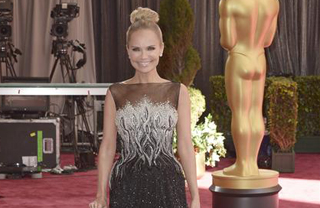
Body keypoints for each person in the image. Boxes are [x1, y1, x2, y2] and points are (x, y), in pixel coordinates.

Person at [89, 7, 200, 208]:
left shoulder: (177, 91)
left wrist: (196, 197)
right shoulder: (116, 92)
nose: (143, 56)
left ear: (161, 48)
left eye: (150, 48)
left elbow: (185, 145)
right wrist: (101, 195)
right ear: (127, 51)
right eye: (136, 49)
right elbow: (107, 146)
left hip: (168, 185)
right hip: (126, 184)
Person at [219, 0, 279, 176]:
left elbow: (228, 41)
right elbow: (267, 40)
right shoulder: (273, 2)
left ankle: (243, 164)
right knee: (255, 112)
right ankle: (252, 164)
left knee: (240, 113)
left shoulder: (228, 2)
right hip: (259, 58)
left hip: (240, 57)